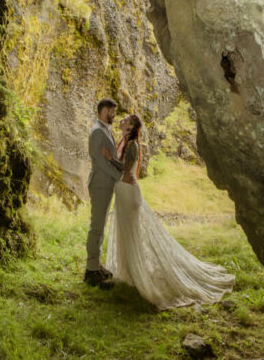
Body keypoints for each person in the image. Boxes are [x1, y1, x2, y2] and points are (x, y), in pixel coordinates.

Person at [102, 114, 235, 310]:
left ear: (131, 127)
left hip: (129, 194)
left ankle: (138, 274)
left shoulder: (132, 145)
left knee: (132, 234)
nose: (122, 121)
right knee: (125, 233)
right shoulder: (124, 141)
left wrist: (109, 158)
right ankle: (129, 272)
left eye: (127, 121)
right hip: (123, 192)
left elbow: (126, 170)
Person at [84, 98, 125, 288]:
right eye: (112, 111)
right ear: (104, 110)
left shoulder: (104, 130)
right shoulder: (97, 132)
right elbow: (100, 162)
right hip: (100, 184)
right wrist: (118, 176)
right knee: (96, 227)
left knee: (100, 227)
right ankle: (91, 271)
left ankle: (96, 264)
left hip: (105, 184)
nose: (114, 114)